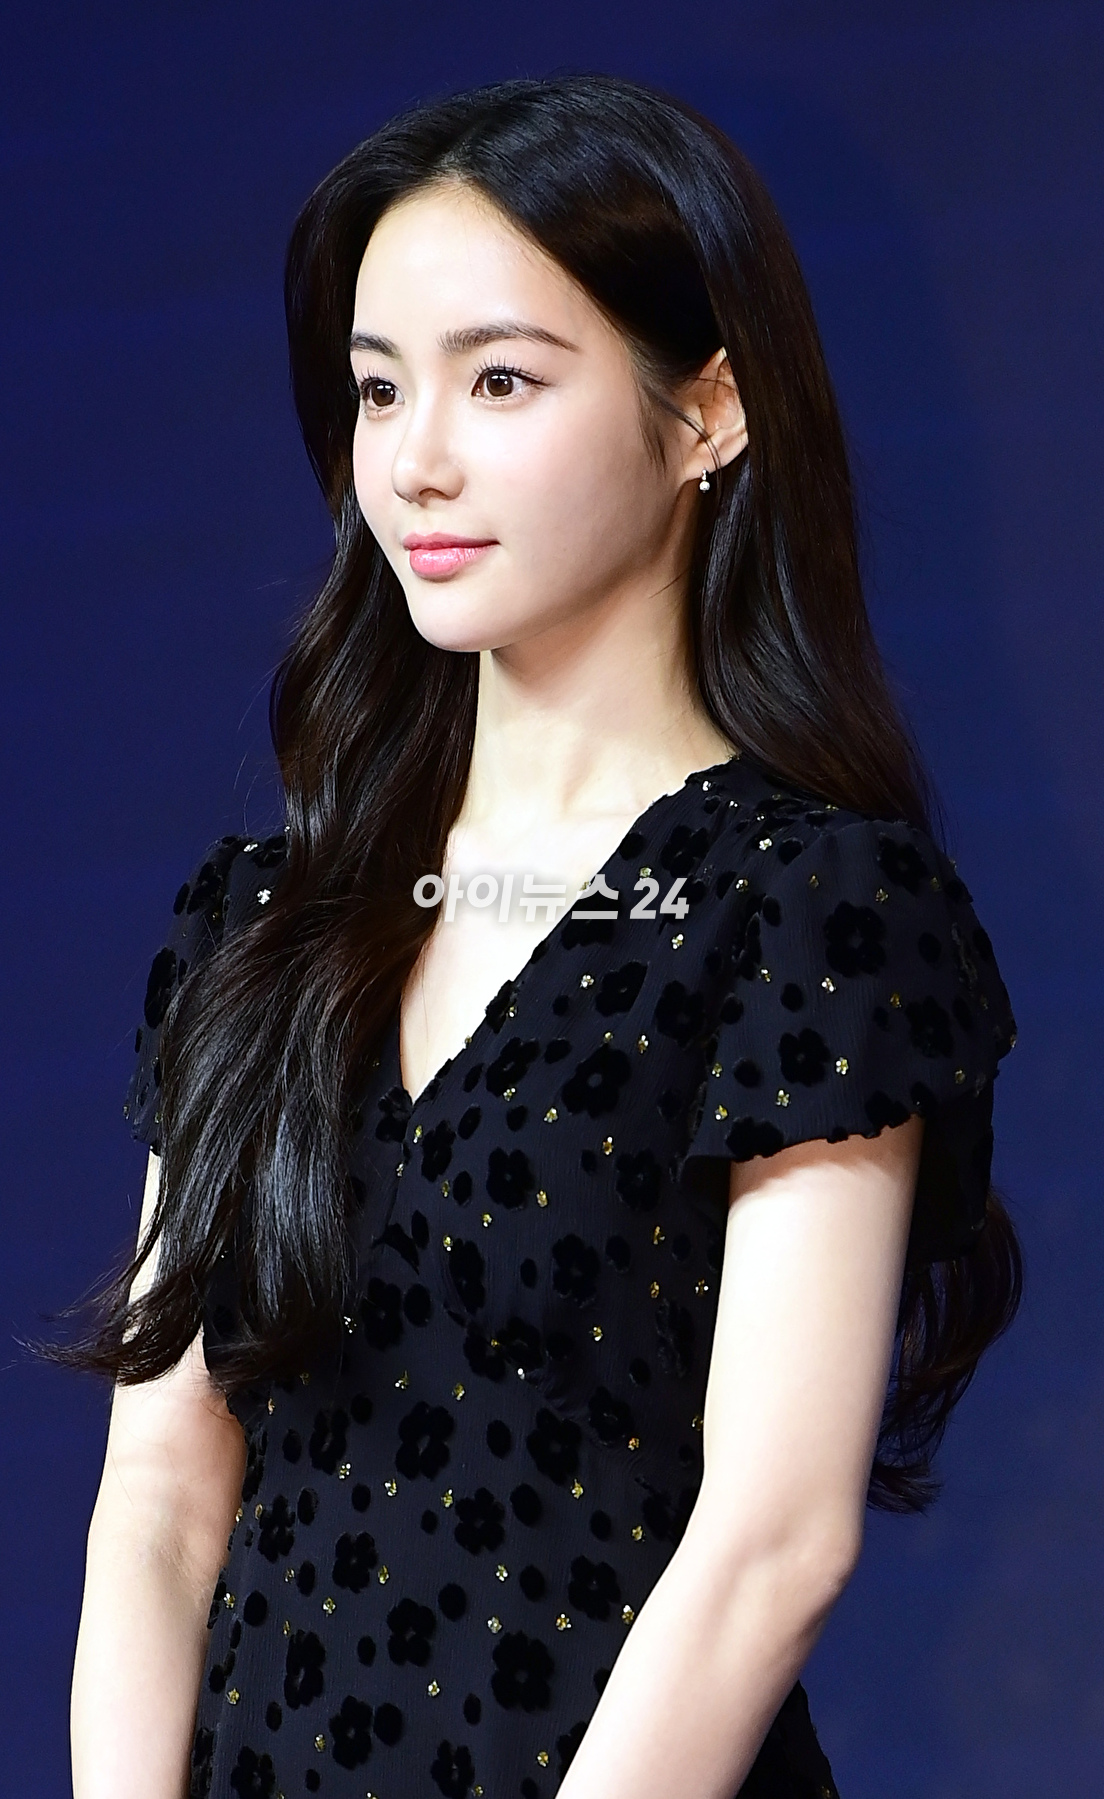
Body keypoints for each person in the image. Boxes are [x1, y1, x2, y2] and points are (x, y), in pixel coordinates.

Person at [66, 74, 1021, 1799]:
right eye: (379, 388)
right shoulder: (263, 922)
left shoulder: (807, 912)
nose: (412, 459)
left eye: (499, 380)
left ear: (707, 411)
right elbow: (160, 1491)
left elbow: (774, 1545)